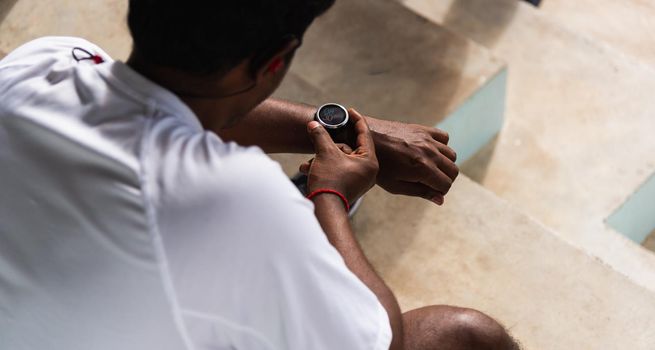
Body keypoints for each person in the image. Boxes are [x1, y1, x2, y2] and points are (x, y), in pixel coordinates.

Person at [0, 1, 520, 349]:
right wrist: (328, 194)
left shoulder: (41, 65)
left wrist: (344, 128)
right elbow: (376, 338)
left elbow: (158, 107)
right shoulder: (238, 199)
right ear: (275, 63)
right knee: (467, 336)